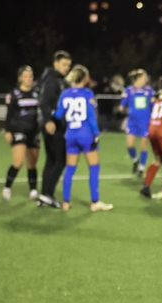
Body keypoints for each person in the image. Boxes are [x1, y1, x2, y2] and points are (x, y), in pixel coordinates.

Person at [53, 65, 113, 212]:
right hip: (86, 134)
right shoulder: (87, 93)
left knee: (70, 169)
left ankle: (66, 202)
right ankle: (95, 202)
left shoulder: (65, 94)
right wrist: (96, 133)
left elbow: (58, 115)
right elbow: (91, 116)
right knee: (94, 168)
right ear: (85, 78)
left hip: (71, 135)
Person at [38, 50, 72, 208]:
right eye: (64, 64)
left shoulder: (58, 80)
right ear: (55, 64)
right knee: (61, 160)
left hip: (54, 124)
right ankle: (48, 193)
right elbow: (45, 102)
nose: (67, 68)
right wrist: (48, 121)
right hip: (54, 125)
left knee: (51, 160)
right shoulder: (52, 80)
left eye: (68, 65)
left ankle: (44, 195)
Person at [2, 66, 42, 202]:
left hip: (34, 131)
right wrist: (7, 130)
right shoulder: (14, 94)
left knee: (32, 163)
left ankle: (33, 190)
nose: (29, 79)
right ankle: (7, 188)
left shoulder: (37, 93)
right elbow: (9, 114)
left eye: (30, 76)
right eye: (25, 76)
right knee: (18, 162)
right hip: (19, 130)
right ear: (20, 78)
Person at [120, 69, 154, 176]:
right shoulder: (129, 90)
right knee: (130, 145)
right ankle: (135, 160)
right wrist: (121, 108)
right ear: (138, 79)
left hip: (145, 121)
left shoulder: (149, 91)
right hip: (132, 121)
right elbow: (122, 105)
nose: (146, 79)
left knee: (143, 145)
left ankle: (141, 168)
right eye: (144, 77)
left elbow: (153, 105)